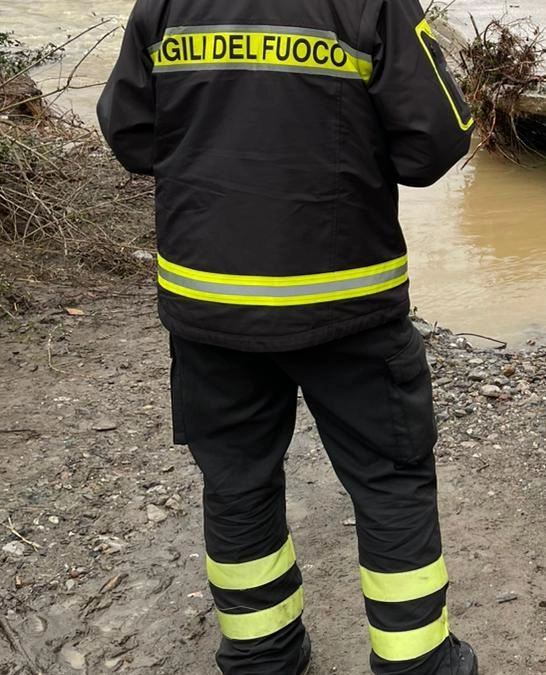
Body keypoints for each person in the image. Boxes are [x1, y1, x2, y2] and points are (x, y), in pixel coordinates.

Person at [97, 0, 477, 673]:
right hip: (346, 297)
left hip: (209, 299)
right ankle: (418, 662)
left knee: (236, 479)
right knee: (389, 477)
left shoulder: (166, 3)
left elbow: (129, 131)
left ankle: (262, 656)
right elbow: (435, 142)